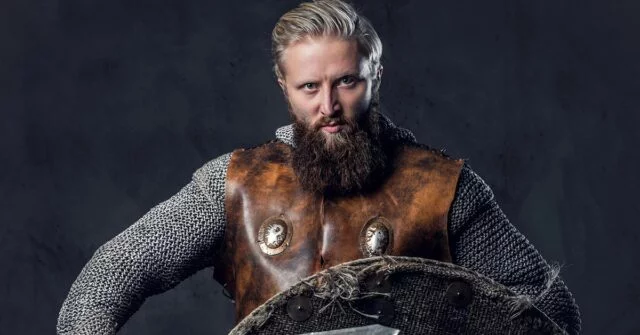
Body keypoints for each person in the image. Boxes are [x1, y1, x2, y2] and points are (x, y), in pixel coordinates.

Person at [57, 0, 581, 334]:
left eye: (346, 82)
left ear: (376, 75)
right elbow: (112, 275)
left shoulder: (446, 189)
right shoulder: (234, 183)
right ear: (285, 88)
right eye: (310, 86)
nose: (328, 104)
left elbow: (550, 313)